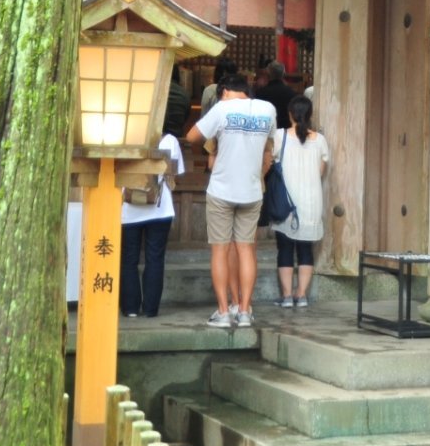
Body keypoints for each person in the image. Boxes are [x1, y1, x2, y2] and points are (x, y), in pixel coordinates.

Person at [186, 72, 275, 328]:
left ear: (224, 91)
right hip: (252, 190)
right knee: (246, 250)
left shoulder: (222, 108)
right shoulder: (267, 109)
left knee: (220, 250)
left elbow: (192, 137)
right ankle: (245, 311)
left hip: (222, 190)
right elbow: (269, 147)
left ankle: (224, 312)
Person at [122, 75, 188, 319]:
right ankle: (150, 309)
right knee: (155, 258)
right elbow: (175, 174)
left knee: (128, 259)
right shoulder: (169, 140)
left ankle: (130, 308)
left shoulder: (126, 136)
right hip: (161, 208)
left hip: (128, 208)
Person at [270, 96, 331, 308]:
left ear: (290, 114)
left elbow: (271, 162)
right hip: (311, 202)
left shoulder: (280, 136)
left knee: (285, 249)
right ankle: (302, 295)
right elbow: (321, 171)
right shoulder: (320, 140)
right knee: (306, 250)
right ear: (310, 114)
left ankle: (287, 296)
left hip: (286, 202)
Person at [253, 58, 298, 130]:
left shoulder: (261, 93)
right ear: (283, 74)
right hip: (286, 128)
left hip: (265, 128)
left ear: (268, 74)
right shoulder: (292, 93)